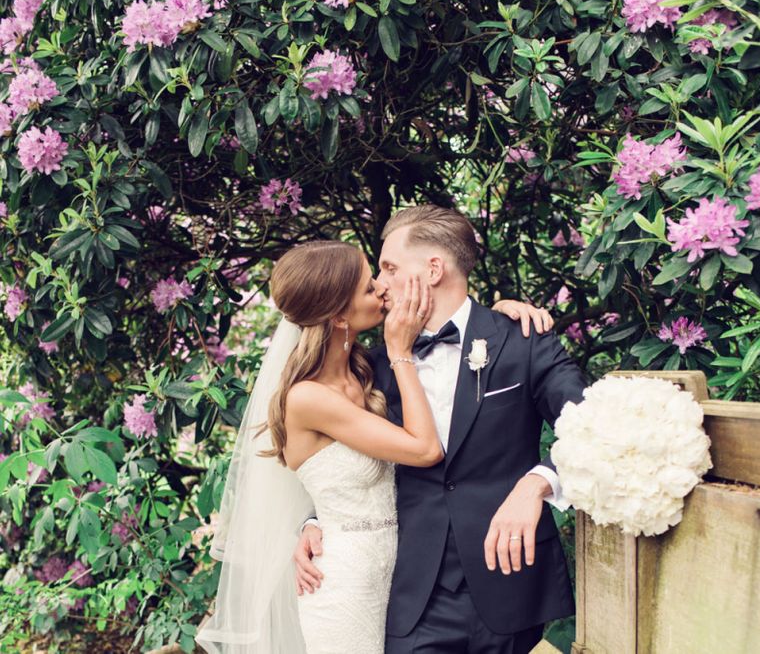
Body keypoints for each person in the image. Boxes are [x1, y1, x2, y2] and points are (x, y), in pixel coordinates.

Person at [196, 238, 549, 654]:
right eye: (369, 287)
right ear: (338, 315)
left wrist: (499, 315)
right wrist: (401, 352)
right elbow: (424, 450)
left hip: (397, 581)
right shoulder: (309, 397)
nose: (383, 288)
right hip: (344, 584)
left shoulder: (364, 371)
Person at [295, 206, 587, 653]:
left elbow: (589, 424)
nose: (379, 284)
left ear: (434, 269)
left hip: (509, 585)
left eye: (389, 268)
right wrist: (316, 523)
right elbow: (334, 453)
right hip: (410, 597)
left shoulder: (522, 339)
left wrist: (537, 484)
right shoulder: (370, 367)